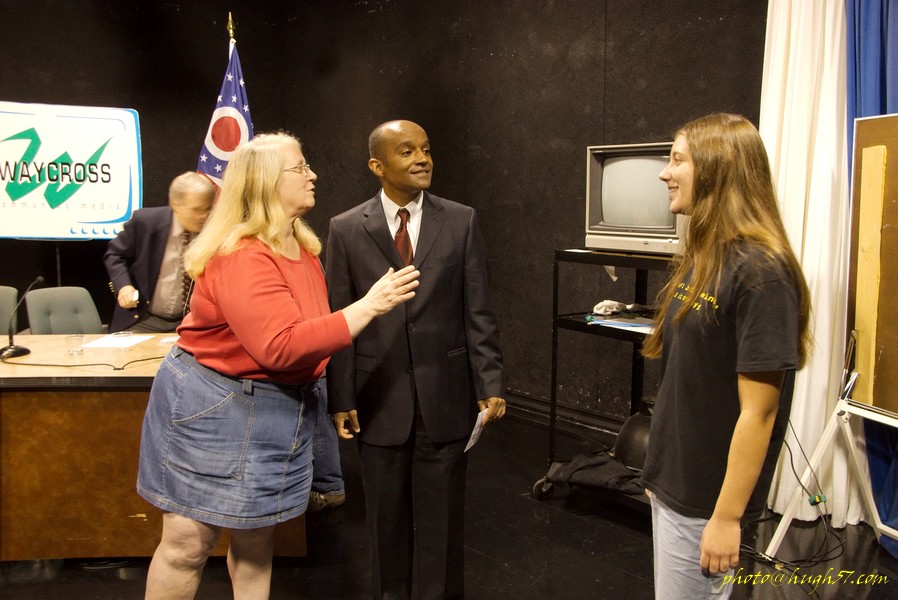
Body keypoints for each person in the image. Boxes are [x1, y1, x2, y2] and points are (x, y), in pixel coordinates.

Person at [136, 131, 420, 600]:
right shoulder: (243, 255)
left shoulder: (300, 246)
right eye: (300, 167)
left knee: (255, 537)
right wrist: (368, 306)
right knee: (189, 542)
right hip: (214, 410)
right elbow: (280, 347)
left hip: (276, 408)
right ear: (266, 183)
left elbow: (308, 337)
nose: (313, 174)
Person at [325, 119, 506, 600]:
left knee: (443, 523)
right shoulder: (345, 229)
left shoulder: (461, 219)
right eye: (407, 152)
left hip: (445, 396)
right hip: (377, 397)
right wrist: (340, 395)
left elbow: (478, 308)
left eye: (426, 149)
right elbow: (339, 317)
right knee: (384, 524)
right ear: (377, 165)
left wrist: (490, 382)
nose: (422, 159)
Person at [640, 113, 813, 600]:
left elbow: (760, 412)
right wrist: (658, 470)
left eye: (677, 160)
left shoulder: (762, 271)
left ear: (716, 169)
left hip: (708, 506)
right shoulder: (706, 255)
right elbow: (685, 381)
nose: (664, 172)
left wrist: (727, 517)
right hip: (676, 487)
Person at [103, 171, 216, 333]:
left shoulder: (214, 230)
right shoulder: (146, 222)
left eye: (207, 209)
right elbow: (115, 254)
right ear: (176, 204)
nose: (203, 216)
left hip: (189, 322)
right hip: (144, 318)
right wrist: (123, 286)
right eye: (196, 210)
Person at [308, 376, 347, 511]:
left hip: (315, 371)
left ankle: (328, 488)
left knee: (320, 426)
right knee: (320, 424)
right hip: (313, 371)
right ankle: (328, 486)